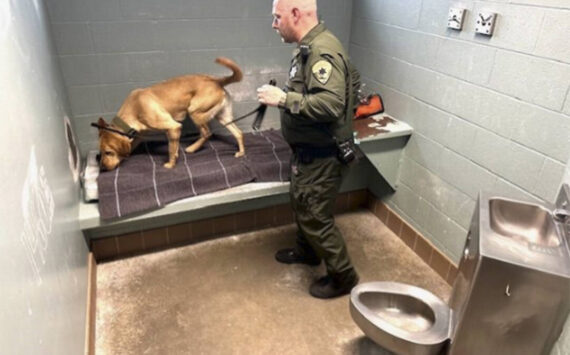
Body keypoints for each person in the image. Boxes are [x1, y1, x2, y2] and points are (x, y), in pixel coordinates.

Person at [257, 0, 360, 299]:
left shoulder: (320, 51)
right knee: (302, 204)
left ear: (296, 14)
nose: (274, 24)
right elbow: (352, 79)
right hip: (308, 150)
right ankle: (308, 252)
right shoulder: (310, 46)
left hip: (323, 155)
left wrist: (283, 99)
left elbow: (330, 104)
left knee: (316, 216)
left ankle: (344, 276)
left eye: (277, 18)